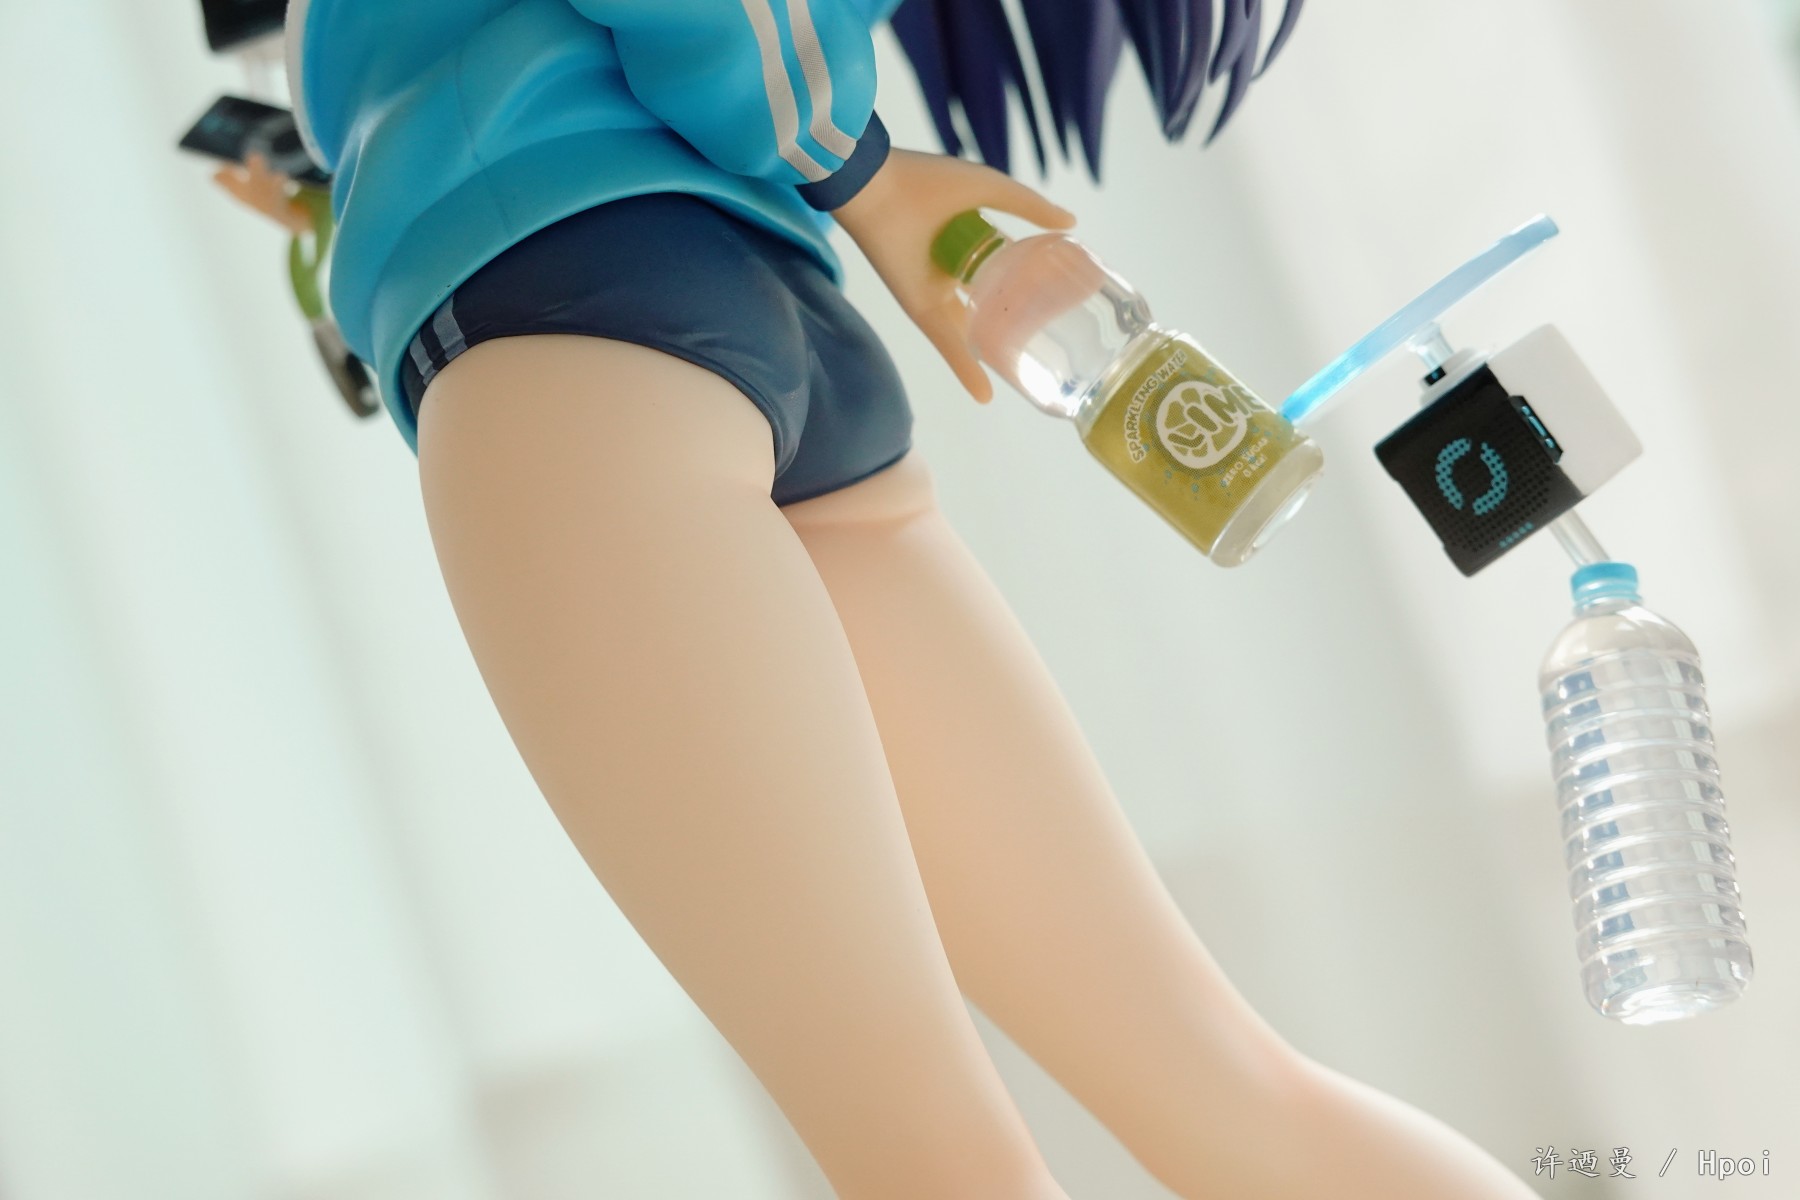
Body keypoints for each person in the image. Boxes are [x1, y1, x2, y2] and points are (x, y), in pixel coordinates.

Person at [266, 1, 1541, 1195]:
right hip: (763, 320)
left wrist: (865, 176)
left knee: (938, 1164)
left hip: (562, 335)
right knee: (1232, 1094)